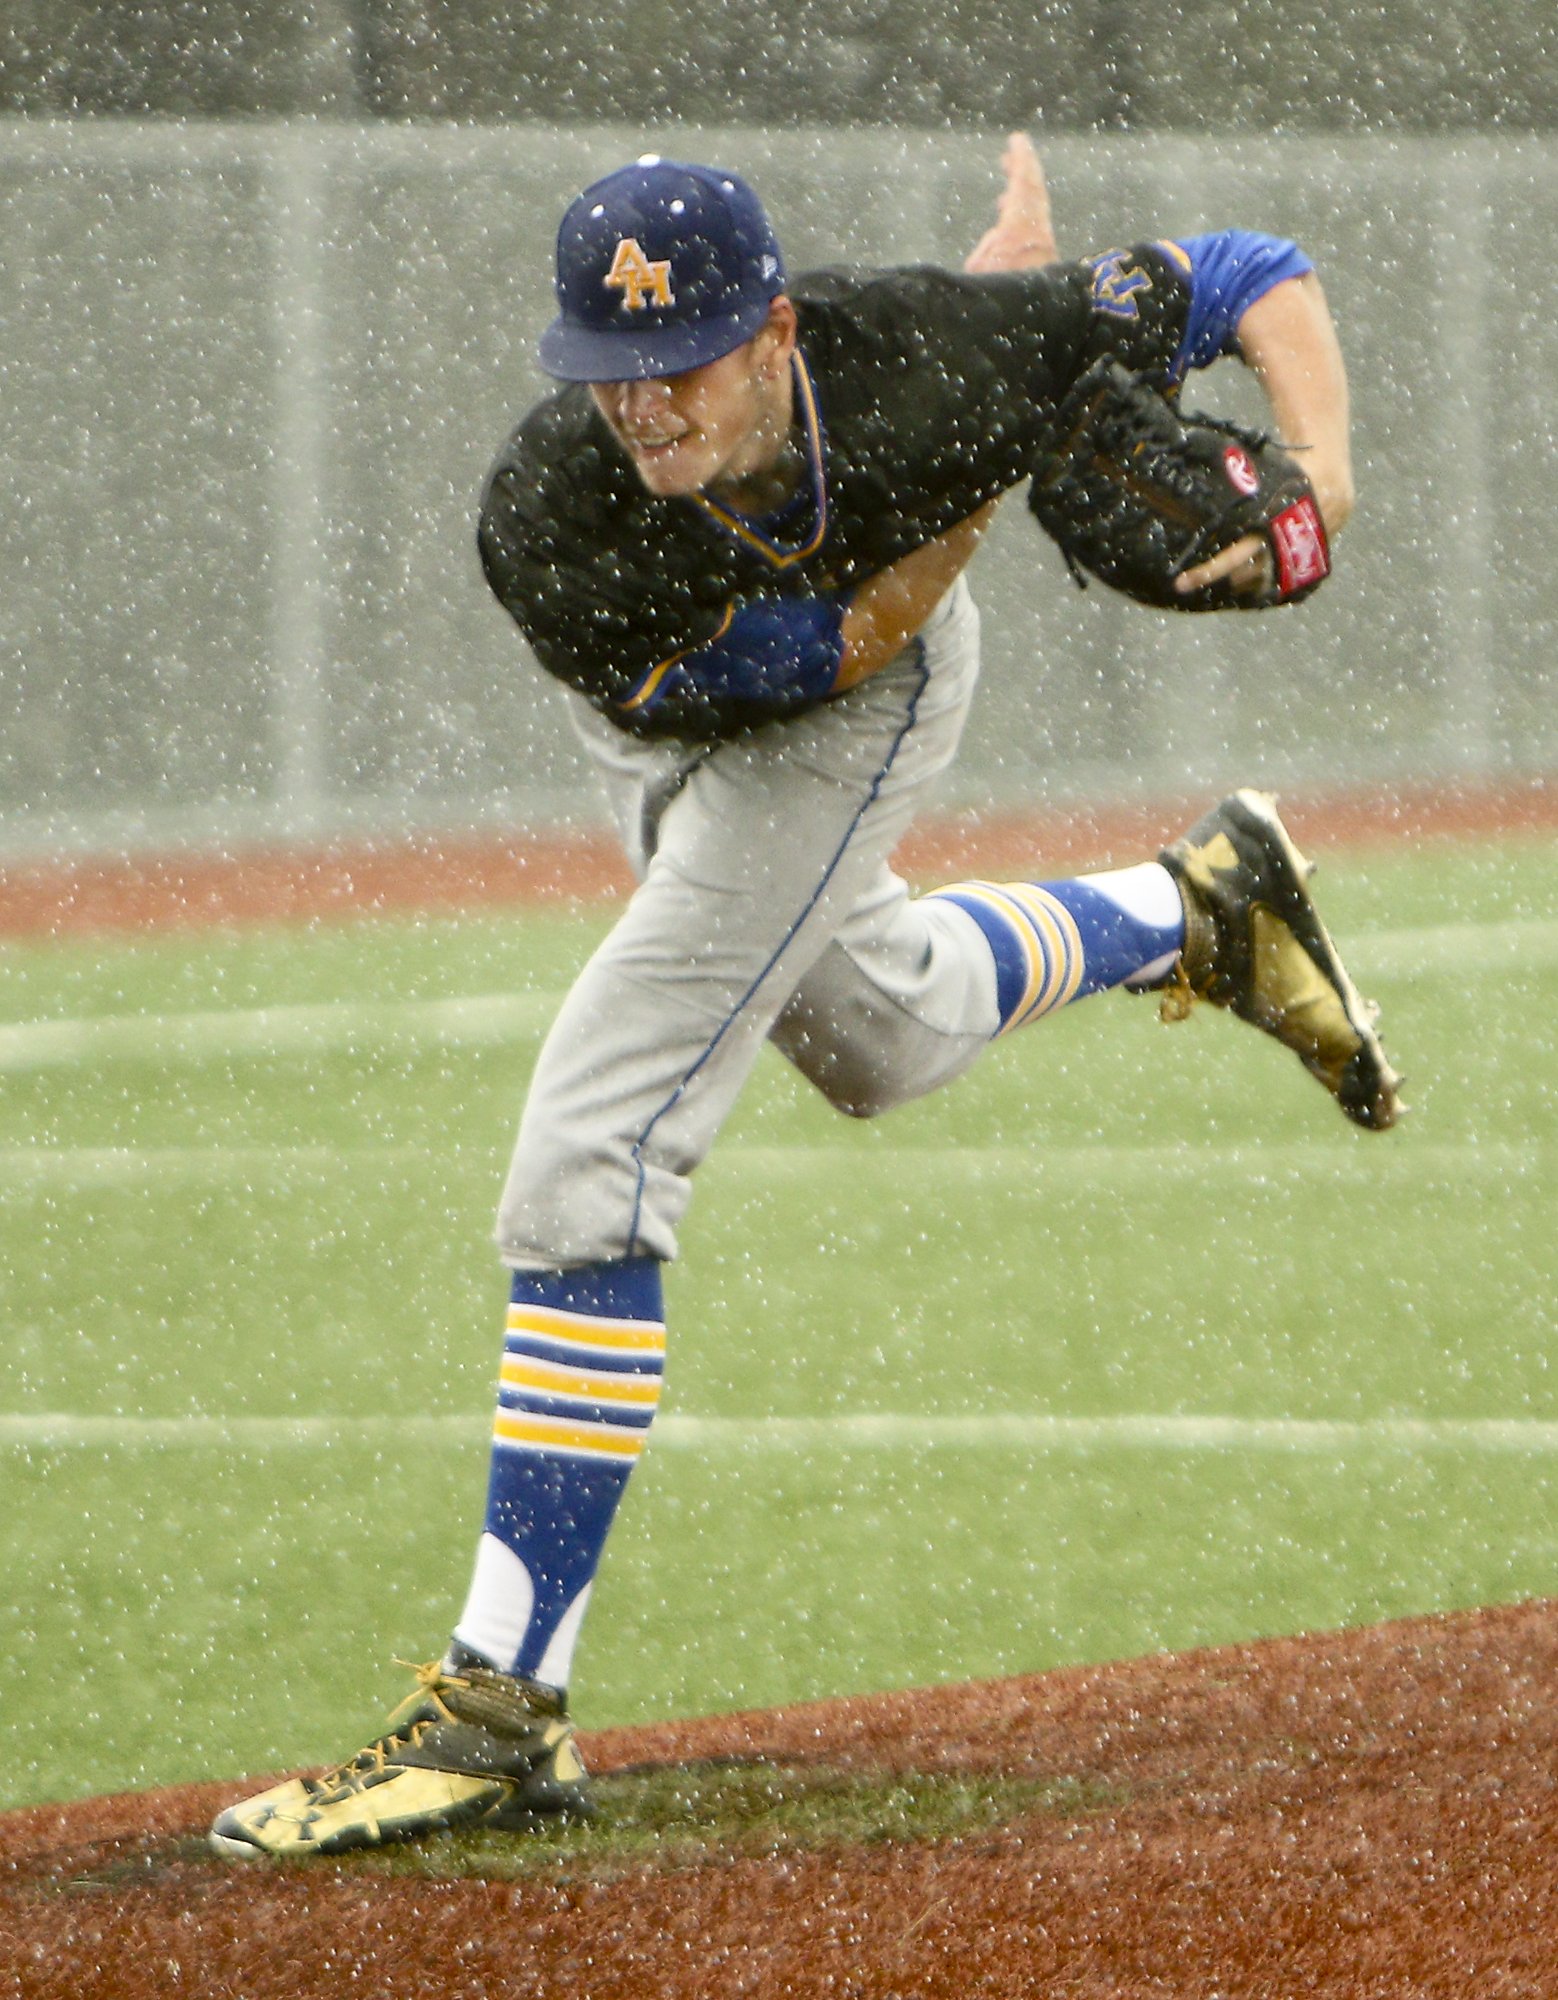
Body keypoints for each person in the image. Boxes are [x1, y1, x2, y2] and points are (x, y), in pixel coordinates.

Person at [211, 135, 1398, 1859]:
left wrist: (1320, 461)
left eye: (681, 355)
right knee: (875, 1031)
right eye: (608, 368)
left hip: (871, 707)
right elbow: (777, 654)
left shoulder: (926, 351)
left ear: (775, 329)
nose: (644, 403)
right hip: (699, 705)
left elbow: (1249, 263)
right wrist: (987, 477)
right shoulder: (545, 513)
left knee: (593, 1138)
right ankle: (1191, 908)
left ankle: (498, 1710)